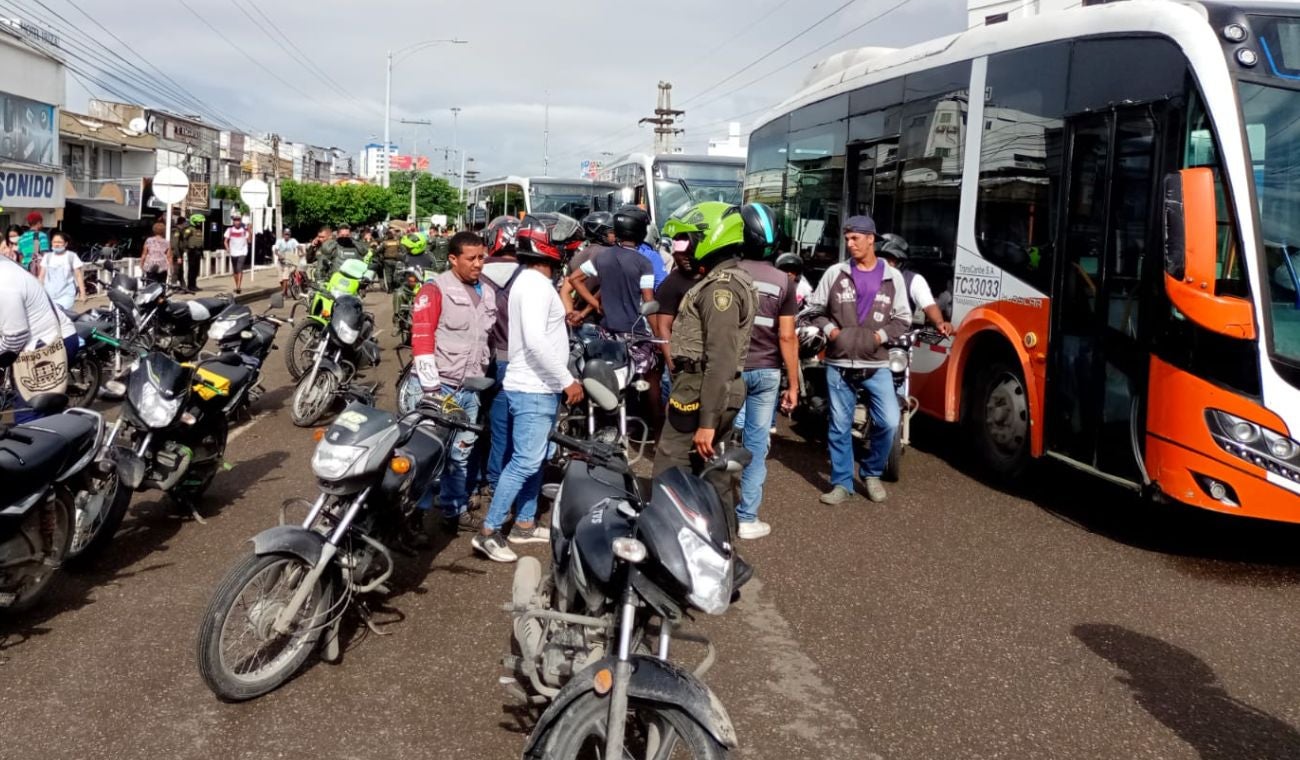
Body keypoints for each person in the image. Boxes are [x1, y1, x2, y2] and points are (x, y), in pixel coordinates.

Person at [474, 215, 583, 563]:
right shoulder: (535, 285)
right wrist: (567, 380)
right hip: (534, 388)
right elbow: (536, 340)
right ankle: (488, 532)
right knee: (524, 461)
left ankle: (524, 523)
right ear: (547, 247)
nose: (569, 251)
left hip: (537, 386)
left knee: (535, 458)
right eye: (565, 245)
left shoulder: (532, 281)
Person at [653, 202, 764, 527]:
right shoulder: (729, 278)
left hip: (701, 388)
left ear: (712, 236)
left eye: (686, 241)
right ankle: (721, 542)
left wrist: (707, 421)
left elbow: (720, 360)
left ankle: (669, 539)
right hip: (708, 388)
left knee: (670, 469)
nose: (680, 250)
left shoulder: (721, 289)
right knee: (714, 473)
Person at [805, 214, 912, 505]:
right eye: (847, 238)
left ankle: (871, 472)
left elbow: (903, 318)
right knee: (839, 426)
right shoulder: (835, 273)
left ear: (870, 239)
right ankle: (841, 483)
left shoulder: (892, 276)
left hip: (877, 364)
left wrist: (879, 337)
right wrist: (832, 331)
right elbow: (814, 309)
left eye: (855, 238)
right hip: (839, 364)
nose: (850, 244)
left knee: (889, 422)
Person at [409, 231, 496, 533]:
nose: (478, 264)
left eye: (481, 257)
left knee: (460, 453)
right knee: (425, 455)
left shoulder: (487, 292)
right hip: (438, 388)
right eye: (471, 258)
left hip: (469, 389)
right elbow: (421, 340)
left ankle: (453, 509)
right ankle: (414, 519)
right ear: (453, 259)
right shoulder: (434, 290)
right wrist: (431, 390)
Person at [728, 207, 799, 540]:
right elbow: (787, 337)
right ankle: (747, 518)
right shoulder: (784, 281)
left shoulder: (727, 273)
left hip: (730, 371)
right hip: (767, 373)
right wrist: (794, 385)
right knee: (757, 446)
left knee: (714, 436)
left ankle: (707, 506)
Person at [477, 216, 523, 505]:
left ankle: (471, 483)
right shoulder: (529, 275)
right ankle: (496, 481)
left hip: (476, 363)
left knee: (468, 425)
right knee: (502, 429)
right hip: (513, 362)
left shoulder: (475, 271)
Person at [0, 254, 78, 421]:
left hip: (47, 346)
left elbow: (16, 337)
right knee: (47, 414)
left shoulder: (4, 283)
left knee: (29, 418)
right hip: (34, 341)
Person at [572, 206, 655, 334]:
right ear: (641, 231)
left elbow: (575, 279)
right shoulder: (644, 263)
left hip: (606, 330)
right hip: (632, 331)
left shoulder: (602, 256)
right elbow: (648, 302)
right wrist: (659, 335)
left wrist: (593, 307)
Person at [875, 233, 953, 336]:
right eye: (879, 258)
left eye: (889, 260)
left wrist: (939, 323)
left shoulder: (913, 280)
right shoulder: (866, 276)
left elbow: (929, 305)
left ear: (900, 261)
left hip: (899, 338)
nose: (883, 263)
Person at [561, 211, 614, 326]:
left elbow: (565, 291)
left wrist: (570, 314)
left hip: (581, 323)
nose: (615, 235)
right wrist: (596, 305)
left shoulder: (577, 256)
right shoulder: (609, 254)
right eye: (611, 232)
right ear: (601, 234)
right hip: (603, 322)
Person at [39, 232, 86, 310]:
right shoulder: (47, 257)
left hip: (66, 294)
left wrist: (83, 293)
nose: (56, 244)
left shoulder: (72, 256)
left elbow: (78, 275)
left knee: (64, 314)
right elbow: (41, 276)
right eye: (54, 242)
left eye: (59, 242)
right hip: (49, 294)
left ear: (66, 244)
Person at [223, 212, 251, 293]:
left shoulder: (244, 230)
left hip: (243, 251)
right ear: (233, 221)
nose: (237, 222)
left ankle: (238, 287)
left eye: (238, 220)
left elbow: (249, 241)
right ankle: (237, 286)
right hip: (233, 252)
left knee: (239, 269)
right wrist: (227, 248)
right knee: (235, 271)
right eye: (235, 220)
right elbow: (225, 241)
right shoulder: (229, 230)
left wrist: (250, 231)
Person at [179, 214, 206, 291]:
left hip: (198, 251)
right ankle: (190, 286)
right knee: (191, 269)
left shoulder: (198, 229)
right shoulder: (189, 229)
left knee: (196, 270)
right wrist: (186, 248)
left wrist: (202, 252)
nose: (199, 223)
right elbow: (184, 239)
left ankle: (194, 285)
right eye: (198, 222)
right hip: (192, 251)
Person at [273, 228, 300, 297]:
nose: (287, 236)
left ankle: (283, 292)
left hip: (289, 262)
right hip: (281, 261)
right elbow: (276, 250)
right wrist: (279, 255)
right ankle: (285, 291)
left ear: (290, 235)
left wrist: (302, 252)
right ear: (283, 234)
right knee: (280, 279)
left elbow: (298, 246)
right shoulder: (279, 241)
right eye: (285, 234)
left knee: (285, 277)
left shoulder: (293, 241)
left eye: (288, 234)